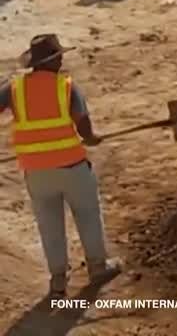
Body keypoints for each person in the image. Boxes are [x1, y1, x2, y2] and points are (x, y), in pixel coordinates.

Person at [0, 34, 122, 296]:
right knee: (88, 214)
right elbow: (84, 125)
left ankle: (57, 279)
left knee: (49, 224)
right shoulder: (66, 86)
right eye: (60, 57)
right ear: (54, 60)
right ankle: (97, 267)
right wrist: (91, 138)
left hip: (36, 172)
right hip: (72, 166)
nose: (63, 60)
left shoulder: (14, 89)